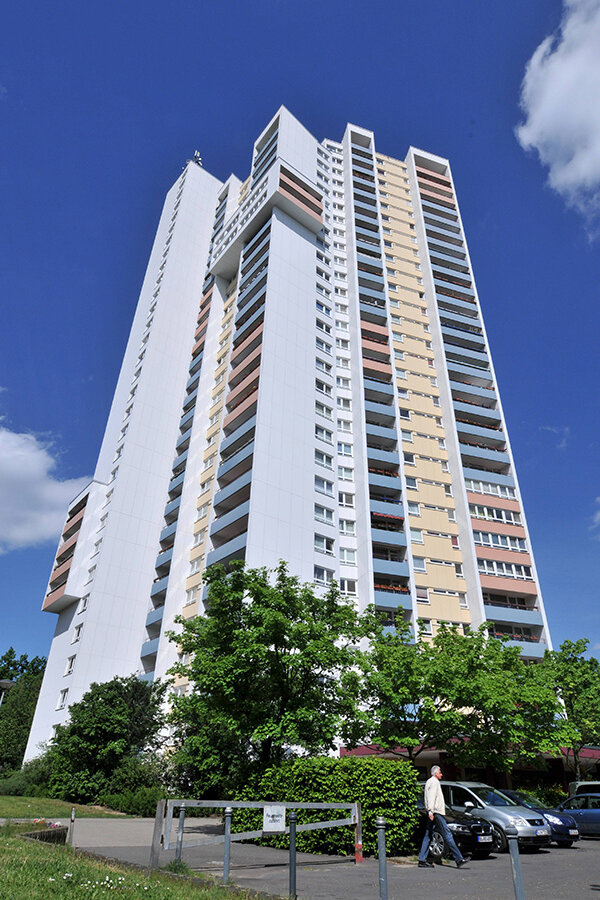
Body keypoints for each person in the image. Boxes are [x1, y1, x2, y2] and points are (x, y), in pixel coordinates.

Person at [418, 765, 469, 869]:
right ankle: (459, 859)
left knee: (428, 835)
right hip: (436, 812)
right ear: (436, 773)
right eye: (440, 772)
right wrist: (431, 811)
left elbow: (427, 798)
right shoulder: (434, 782)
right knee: (447, 834)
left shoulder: (429, 781)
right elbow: (431, 797)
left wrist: (429, 810)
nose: (441, 774)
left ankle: (422, 860)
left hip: (433, 812)